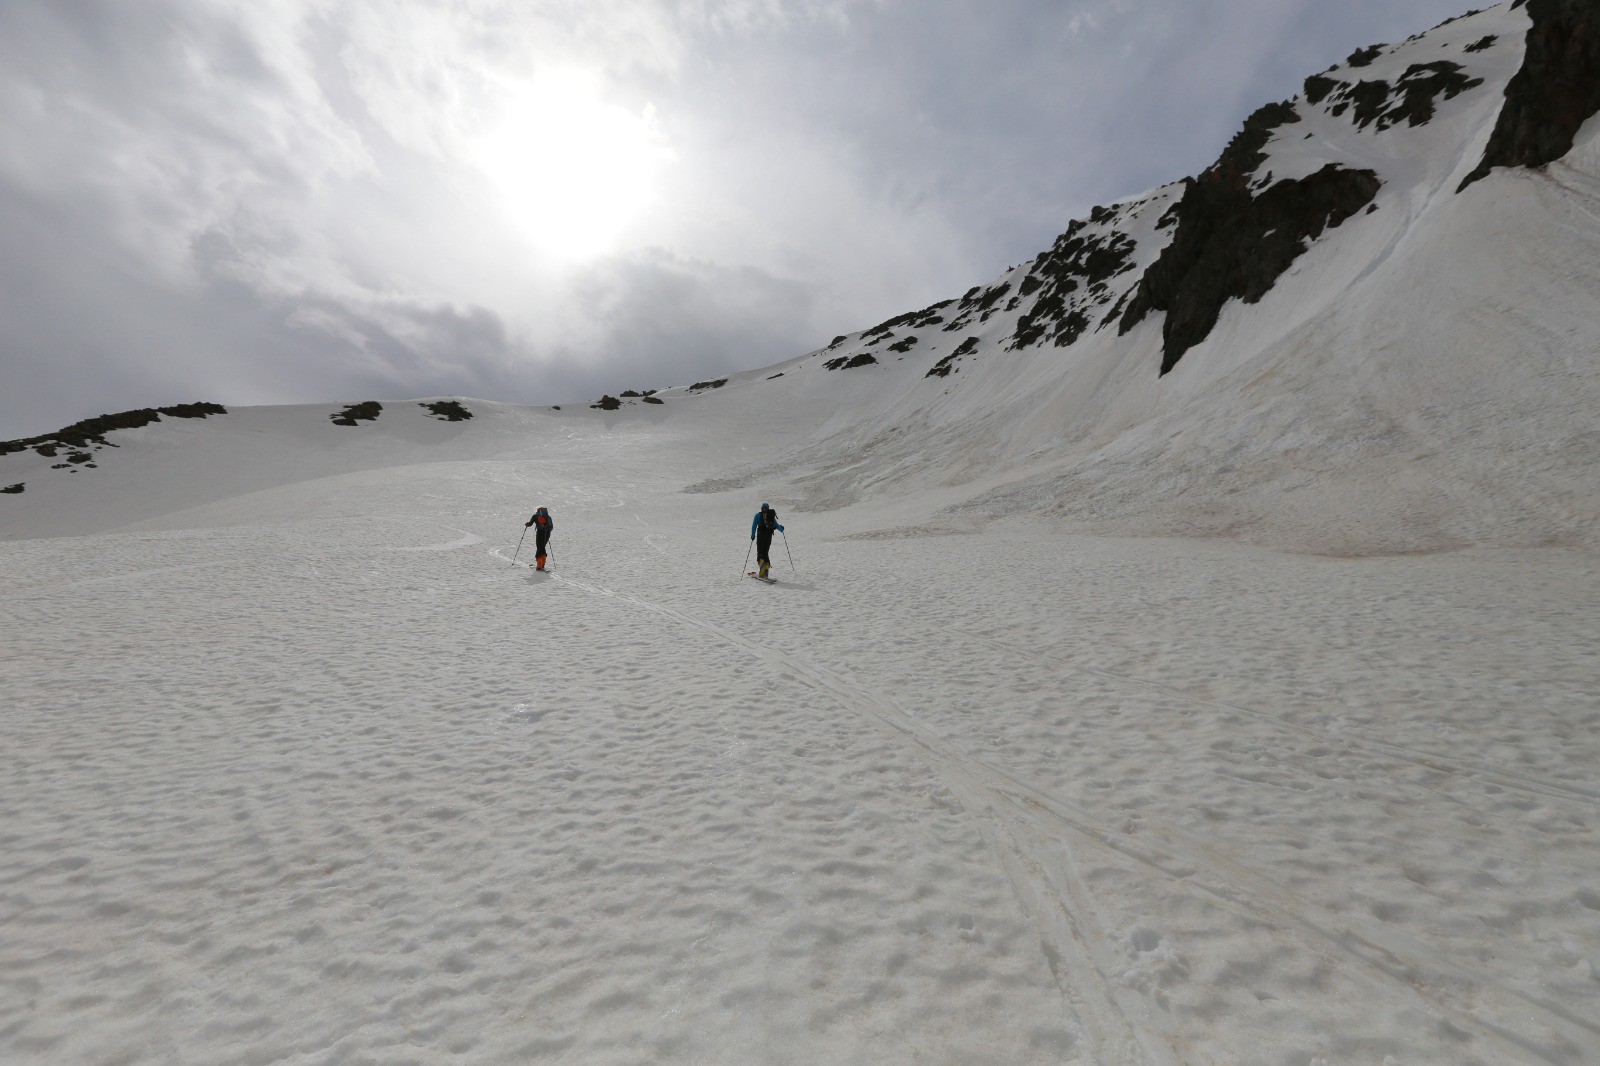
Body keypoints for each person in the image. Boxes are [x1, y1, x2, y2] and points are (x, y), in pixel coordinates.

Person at [749, 502, 784, 579]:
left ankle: (762, 570)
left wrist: (752, 535)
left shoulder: (758, 515)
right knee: (765, 553)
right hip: (768, 537)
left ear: (761, 508)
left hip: (760, 536)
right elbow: (777, 525)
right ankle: (766, 573)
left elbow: (754, 526)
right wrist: (781, 529)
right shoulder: (771, 516)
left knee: (760, 554)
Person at [524, 506, 554, 570]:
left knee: (539, 547)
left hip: (540, 533)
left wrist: (527, 524)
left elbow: (530, 524)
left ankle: (539, 564)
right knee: (542, 547)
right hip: (547, 533)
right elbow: (551, 527)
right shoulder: (548, 517)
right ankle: (542, 563)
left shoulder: (535, 516)